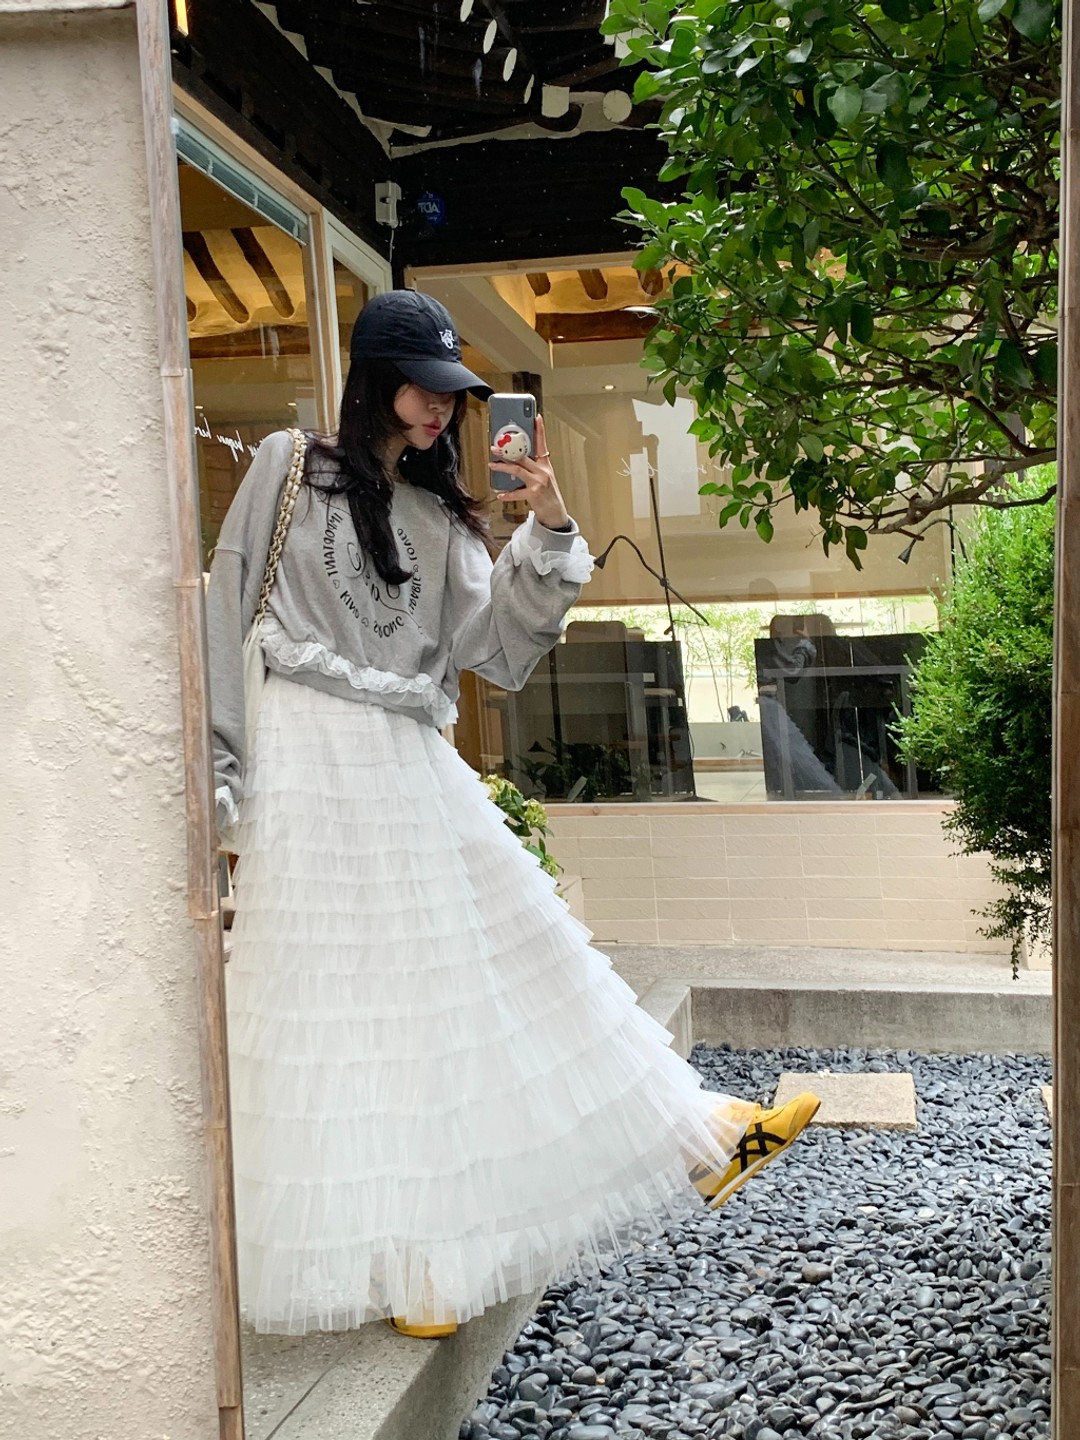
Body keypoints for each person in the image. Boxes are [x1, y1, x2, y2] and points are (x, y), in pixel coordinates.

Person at [206, 290, 820, 1340]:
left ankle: (697, 1132)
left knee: (517, 946)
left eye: (452, 394)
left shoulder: (442, 518)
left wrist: (549, 525)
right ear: (375, 379)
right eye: (424, 387)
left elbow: (495, 651)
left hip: (408, 762)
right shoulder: (288, 467)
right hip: (310, 766)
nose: (441, 408)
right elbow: (226, 610)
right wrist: (220, 775)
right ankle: (414, 1262)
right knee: (352, 1013)